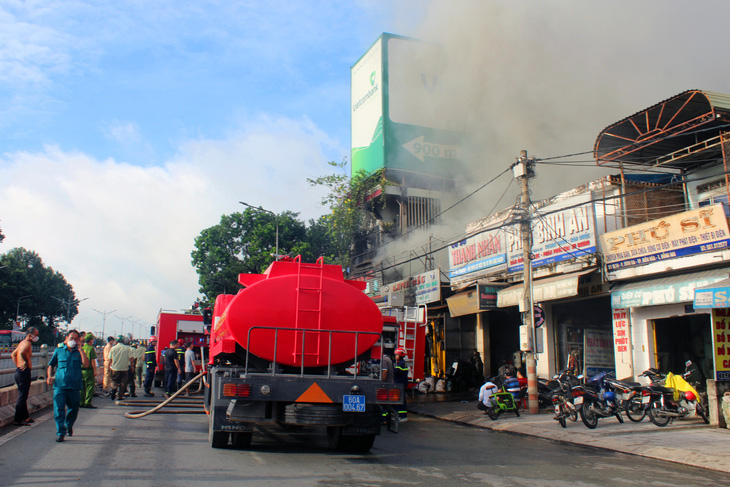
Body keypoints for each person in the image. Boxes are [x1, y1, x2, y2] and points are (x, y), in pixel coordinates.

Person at [47, 329, 89, 442]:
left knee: (73, 408)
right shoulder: (59, 351)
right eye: (71, 338)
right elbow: (51, 365)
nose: (73, 341)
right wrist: (49, 376)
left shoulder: (79, 352)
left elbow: (86, 364)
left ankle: (68, 425)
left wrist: (81, 350)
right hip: (60, 385)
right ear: (66, 339)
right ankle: (61, 432)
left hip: (74, 386)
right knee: (59, 409)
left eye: (76, 339)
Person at [11, 327, 39, 426]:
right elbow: (22, 352)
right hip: (24, 372)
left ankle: (25, 417)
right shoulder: (27, 344)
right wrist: (26, 362)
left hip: (19, 371)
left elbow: (13, 354)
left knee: (24, 395)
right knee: (22, 396)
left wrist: (18, 365)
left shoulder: (22, 343)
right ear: (29, 334)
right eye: (35, 334)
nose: (36, 337)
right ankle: (18, 419)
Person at [108, 335, 133, 401]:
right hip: (124, 368)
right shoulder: (127, 348)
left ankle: (114, 388)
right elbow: (131, 358)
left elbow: (110, 359)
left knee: (114, 380)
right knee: (123, 383)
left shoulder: (113, 348)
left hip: (115, 368)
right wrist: (132, 366)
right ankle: (120, 396)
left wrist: (108, 367)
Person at [80, 333, 97, 408]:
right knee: (89, 387)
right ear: (90, 340)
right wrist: (94, 370)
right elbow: (93, 361)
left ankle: (81, 402)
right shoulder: (91, 348)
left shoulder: (82, 348)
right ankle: (87, 402)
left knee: (82, 387)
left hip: (81, 370)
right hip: (89, 370)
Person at [393, 348, 409, 421]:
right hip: (401, 384)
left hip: (400, 384)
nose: (395, 356)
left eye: (396, 355)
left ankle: (403, 416)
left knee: (401, 401)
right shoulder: (402, 363)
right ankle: (401, 416)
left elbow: (396, 372)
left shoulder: (401, 364)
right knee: (401, 400)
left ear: (400, 355)